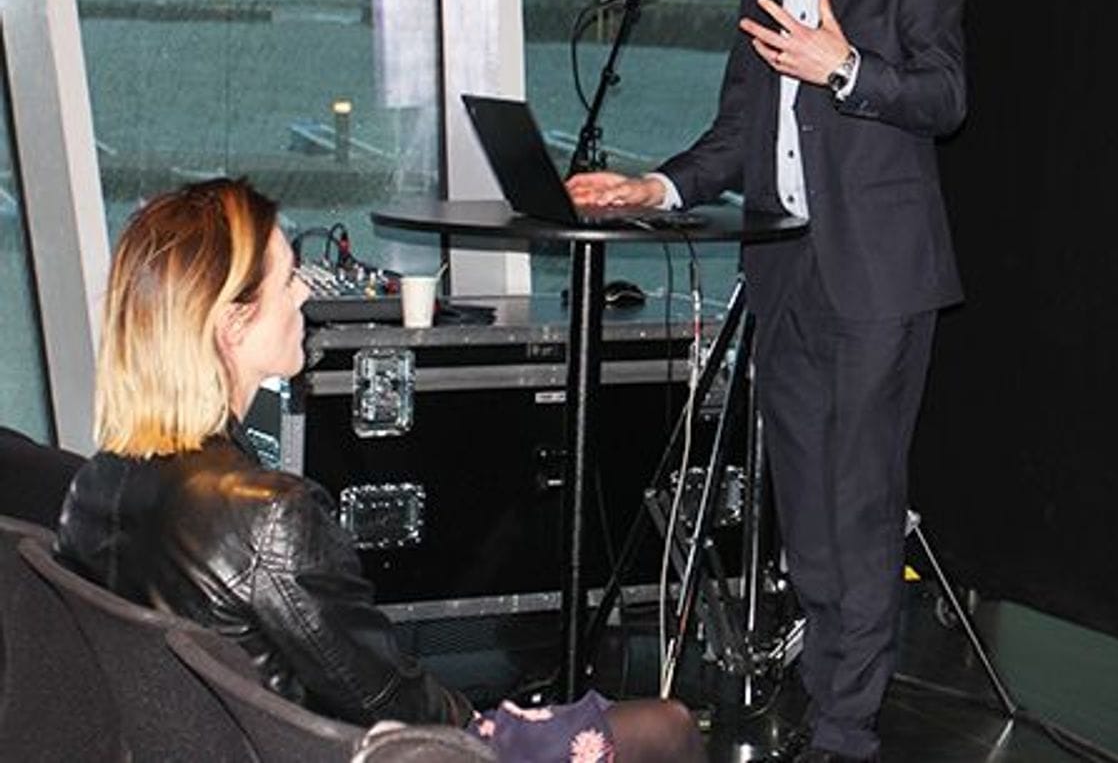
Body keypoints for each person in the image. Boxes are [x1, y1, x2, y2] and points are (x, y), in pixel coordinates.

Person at [568, 0, 965, 763]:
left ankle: (845, 729)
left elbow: (943, 98)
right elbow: (732, 135)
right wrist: (652, 187)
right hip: (783, 274)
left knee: (860, 502)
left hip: (877, 279)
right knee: (807, 510)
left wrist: (843, 68)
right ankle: (827, 684)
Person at [56, 178, 703, 763]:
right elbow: (394, 698)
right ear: (232, 323)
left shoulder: (97, 484)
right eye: (286, 279)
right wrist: (488, 730)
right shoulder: (268, 515)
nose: (305, 289)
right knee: (668, 725)